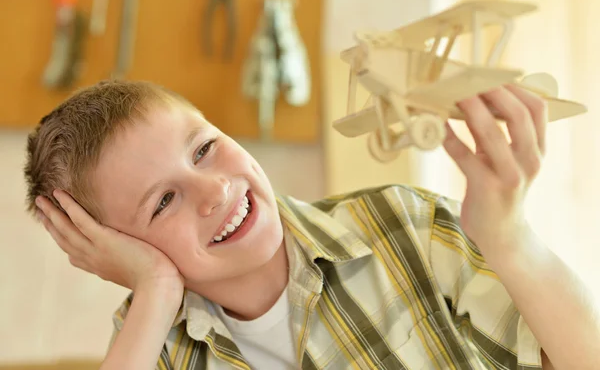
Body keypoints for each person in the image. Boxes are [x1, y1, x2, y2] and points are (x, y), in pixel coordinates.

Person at [27, 80, 598, 370]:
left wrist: (510, 240)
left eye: (203, 149)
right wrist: (153, 289)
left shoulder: (404, 226)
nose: (215, 190)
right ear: (114, 249)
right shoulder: (154, 342)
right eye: (163, 202)